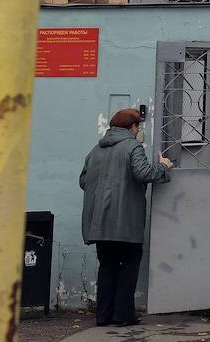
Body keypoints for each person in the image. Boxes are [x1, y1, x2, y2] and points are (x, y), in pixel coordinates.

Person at [79, 108, 173, 327]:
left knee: (107, 266)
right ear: (132, 127)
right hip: (126, 222)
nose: (139, 130)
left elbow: (84, 181)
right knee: (129, 265)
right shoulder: (133, 147)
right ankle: (123, 315)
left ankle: (103, 316)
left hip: (99, 223)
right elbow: (143, 174)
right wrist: (163, 166)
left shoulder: (95, 151)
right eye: (138, 126)